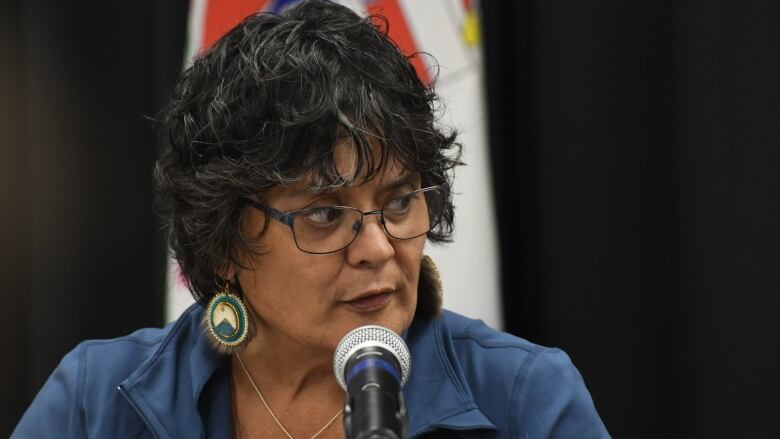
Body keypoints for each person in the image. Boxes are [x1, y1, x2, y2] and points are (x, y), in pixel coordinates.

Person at [13, 1, 609, 437]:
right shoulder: (94, 403)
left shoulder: (525, 401)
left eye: (399, 201)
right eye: (326, 214)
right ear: (225, 241)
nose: (377, 247)